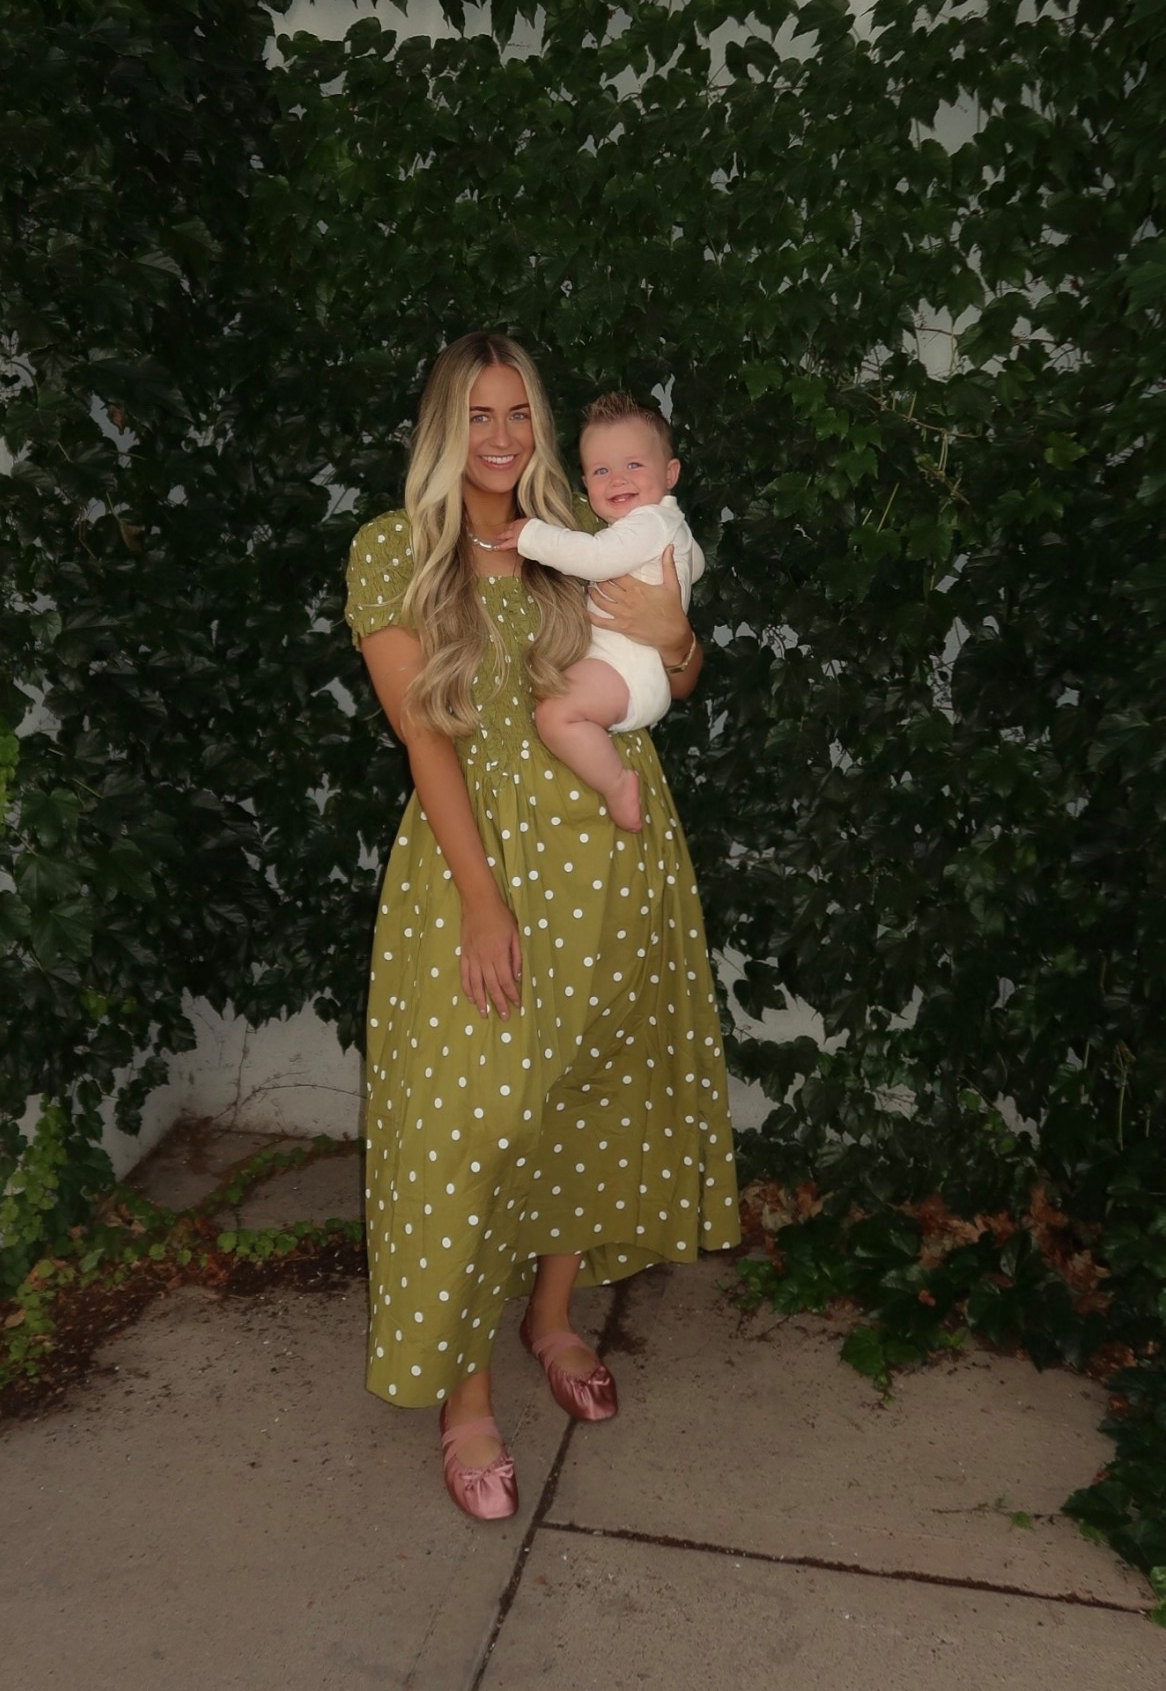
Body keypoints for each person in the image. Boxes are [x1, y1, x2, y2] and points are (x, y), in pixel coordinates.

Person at [344, 332, 739, 1522]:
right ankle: (464, 1395)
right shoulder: (394, 549)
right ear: (442, 427)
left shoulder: (581, 528)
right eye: (478, 415)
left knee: (583, 1090)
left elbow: (676, 668)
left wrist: (674, 634)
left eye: (518, 412)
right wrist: (479, 899)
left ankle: (551, 1317)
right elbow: (422, 734)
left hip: (612, 849)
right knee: (476, 1123)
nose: (502, 436)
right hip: (477, 857)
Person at [493, 391, 705, 834]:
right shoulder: (666, 527)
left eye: (633, 465)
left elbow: (595, 557)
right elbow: (694, 564)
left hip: (626, 671)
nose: (617, 480)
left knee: (557, 714)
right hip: (628, 669)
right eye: (601, 471)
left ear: (670, 473)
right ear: (585, 482)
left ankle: (616, 784)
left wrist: (531, 536)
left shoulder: (648, 523)